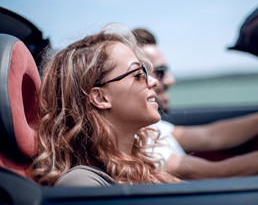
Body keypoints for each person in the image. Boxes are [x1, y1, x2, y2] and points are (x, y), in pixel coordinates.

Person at [132, 28, 258, 180]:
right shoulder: (145, 150)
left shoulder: (148, 129)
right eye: (159, 71)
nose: (170, 80)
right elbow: (222, 173)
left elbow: (213, 135)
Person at [29, 28, 180, 186]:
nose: (153, 82)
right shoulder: (83, 183)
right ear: (100, 98)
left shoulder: (137, 168)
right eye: (137, 74)